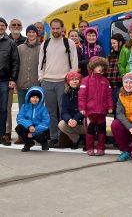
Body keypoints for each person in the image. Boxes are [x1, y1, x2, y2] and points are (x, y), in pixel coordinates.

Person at [38, 18, 78, 148]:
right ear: (50, 29)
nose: (55, 31)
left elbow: (74, 63)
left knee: (63, 111)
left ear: (62, 29)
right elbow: (41, 63)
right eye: (53, 28)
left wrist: (71, 80)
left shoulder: (69, 43)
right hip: (47, 82)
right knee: (51, 113)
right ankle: (54, 137)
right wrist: (41, 78)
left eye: (57, 28)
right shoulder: (45, 43)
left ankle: (64, 138)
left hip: (63, 82)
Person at [78, 57, 113, 156]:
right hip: (90, 111)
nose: (100, 68)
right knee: (90, 130)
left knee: (102, 130)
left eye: (102, 66)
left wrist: (110, 106)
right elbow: (82, 96)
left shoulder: (105, 81)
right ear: (92, 67)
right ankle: (90, 148)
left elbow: (109, 95)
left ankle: (101, 148)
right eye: (98, 66)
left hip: (102, 111)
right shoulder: (85, 80)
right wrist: (82, 108)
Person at [16, 25, 41, 145]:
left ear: (37, 34)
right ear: (27, 34)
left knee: (36, 112)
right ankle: (22, 135)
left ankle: (35, 135)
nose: (31, 34)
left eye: (33, 32)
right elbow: (15, 64)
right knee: (23, 111)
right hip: (22, 84)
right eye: (29, 32)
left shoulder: (42, 48)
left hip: (35, 85)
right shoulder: (20, 48)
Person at [5, 18, 26, 142]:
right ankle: (7, 132)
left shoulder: (27, 40)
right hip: (9, 78)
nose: (16, 26)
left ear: (21, 27)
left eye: (19, 24)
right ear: (9, 27)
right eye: (14, 24)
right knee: (7, 107)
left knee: (23, 107)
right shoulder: (5, 41)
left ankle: (22, 134)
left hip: (23, 77)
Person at [0, 17, 19, 146]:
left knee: (3, 109)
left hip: (4, 80)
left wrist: (13, 78)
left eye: (2, 25)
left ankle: (3, 135)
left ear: (6, 27)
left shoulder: (11, 43)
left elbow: (15, 62)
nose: (0, 27)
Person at [15, 86, 50, 152]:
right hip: (29, 127)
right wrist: (29, 126)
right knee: (18, 128)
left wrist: (34, 131)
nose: (35, 99)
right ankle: (28, 143)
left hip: (39, 129)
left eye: (37, 97)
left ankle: (44, 142)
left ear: (40, 98)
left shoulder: (43, 108)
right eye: (33, 97)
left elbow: (46, 122)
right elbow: (19, 118)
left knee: (41, 134)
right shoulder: (25, 106)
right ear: (29, 97)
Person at [58, 71, 85, 149]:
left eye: (76, 79)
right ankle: (76, 139)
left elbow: (82, 109)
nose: (74, 81)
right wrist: (69, 119)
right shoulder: (66, 93)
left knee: (89, 121)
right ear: (68, 81)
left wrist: (76, 119)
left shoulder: (83, 92)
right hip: (72, 123)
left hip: (82, 123)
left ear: (80, 81)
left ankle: (88, 139)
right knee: (61, 124)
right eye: (72, 79)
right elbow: (64, 111)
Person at [106, 33, 125, 112]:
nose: (112, 45)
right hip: (111, 88)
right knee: (112, 109)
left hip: (120, 87)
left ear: (120, 43)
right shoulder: (110, 56)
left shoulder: (124, 54)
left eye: (114, 43)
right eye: (111, 43)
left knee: (120, 109)